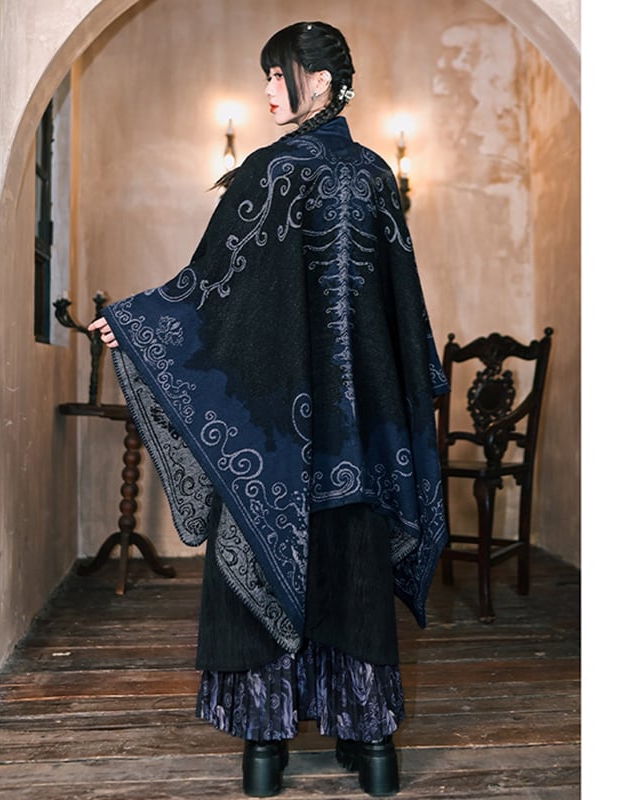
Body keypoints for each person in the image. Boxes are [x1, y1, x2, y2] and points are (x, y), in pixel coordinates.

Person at [89, 20, 449, 798]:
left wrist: (136, 323)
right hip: (361, 438)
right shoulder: (375, 175)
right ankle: (373, 748)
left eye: (276, 75)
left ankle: (264, 750)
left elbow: (209, 291)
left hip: (277, 433)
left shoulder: (273, 171)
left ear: (317, 81)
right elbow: (401, 318)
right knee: (353, 578)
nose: (267, 90)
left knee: (263, 551)